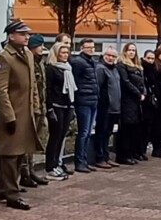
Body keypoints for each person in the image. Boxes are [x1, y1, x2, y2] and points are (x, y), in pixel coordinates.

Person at [0, 21, 40, 210]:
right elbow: (0, 91)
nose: (27, 37)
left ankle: (4, 189)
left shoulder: (27, 54)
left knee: (20, 152)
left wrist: (36, 107)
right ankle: (12, 194)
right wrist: (9, 116)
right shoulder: (3, 58)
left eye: (27, 34)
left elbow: (32, 84)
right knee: (10, 154)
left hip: (25, 112)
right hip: (12, 113)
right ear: (11, 36)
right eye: (22, 34)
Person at [70, 39, 105, 173]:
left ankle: (84, 160)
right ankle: (79, 161)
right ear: (82, 48)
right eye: (88, 47)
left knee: (88, 132)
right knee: (83, 133)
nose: (91, 49)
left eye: (93, 47)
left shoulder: (92, 62)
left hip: (93, 100)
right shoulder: (78, 62)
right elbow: (76, 82)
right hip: (83, 101)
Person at [22, 35, 52, 188]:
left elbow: (42, 87)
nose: (42, 49)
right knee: (26, 142)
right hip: (30, 107)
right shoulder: (28, 62)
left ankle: (31, 169)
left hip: (40, 106)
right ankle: (25, 172)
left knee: (34, 142)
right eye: (39, 46)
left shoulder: (40, 62)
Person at [45, 41, 77, 180]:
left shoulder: (68, 68)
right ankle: (50, 166)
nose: (65, 55)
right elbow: (48, 89)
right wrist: (50, 108)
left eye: (66, 53)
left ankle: (57, 163)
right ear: (56, 54)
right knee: (55, 136)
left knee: (62, 136)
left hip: (67, 105)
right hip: (56, 105)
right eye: (62, 53)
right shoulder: (51, 69)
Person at [117, 44, 149, 164]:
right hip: (127, 100)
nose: (131, 52)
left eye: (133, 50)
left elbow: (142, 82)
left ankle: (131, 153)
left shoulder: (137, 66)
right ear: (125, 51)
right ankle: (123, 155)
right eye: (129, 50)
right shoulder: (122, 65)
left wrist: (144, 93)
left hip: (137, 102)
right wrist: (138, 94)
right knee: (126, 128)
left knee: (135, 128)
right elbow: (126, 82)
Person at [95, 46, 123, 169]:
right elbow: (98, 87)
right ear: (104, 55)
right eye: (109, 55)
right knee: (101, 132)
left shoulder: (115, 69)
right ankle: (99, 158)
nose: (111, 58)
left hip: (115, 107)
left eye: (113, 56)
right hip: (105, 107)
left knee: (108, 133)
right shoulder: (100, 69)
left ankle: (106, 157)